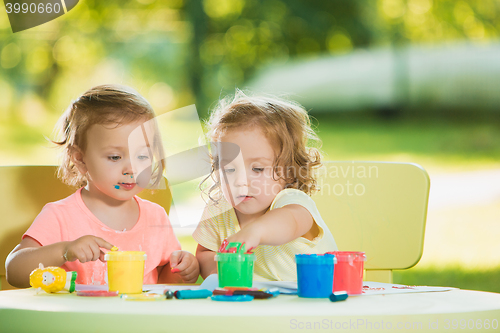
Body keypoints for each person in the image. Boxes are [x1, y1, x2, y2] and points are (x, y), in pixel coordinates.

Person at [6, 84, 199, 287]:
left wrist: (182, 270)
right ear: (80, 159)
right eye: (115, 157)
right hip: (78, 319)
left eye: (142, 156)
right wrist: (64, 251)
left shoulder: (156, 217)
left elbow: (164, 284)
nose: (132, 168)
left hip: (138, 319)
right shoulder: (60, 216)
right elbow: (14, 271)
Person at [193, 91, 337, 281]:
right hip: (254, 305)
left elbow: (290, 222)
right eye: (229, 169)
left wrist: (255, 232)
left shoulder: (292, 202)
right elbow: (205, 253)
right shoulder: (218, 210)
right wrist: (219, 273)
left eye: (258, 169)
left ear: (289, 171)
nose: (241, 181)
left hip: (310, 301)